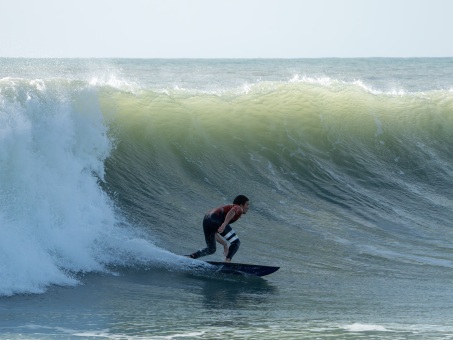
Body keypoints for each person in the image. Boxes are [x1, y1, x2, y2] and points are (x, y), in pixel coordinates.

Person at [186, 195, 249, 262]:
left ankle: (191, 257)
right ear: (241, 205)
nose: (248, 207)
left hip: (207, 219)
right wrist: (224, 224)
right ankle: (227, 261)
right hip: (216, 218)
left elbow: (214, 234)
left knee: (211, 249)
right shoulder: (238, 208)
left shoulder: (227, 210)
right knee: (236, 242)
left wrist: (224, 244)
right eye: (247, 205)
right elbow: (232, 211)